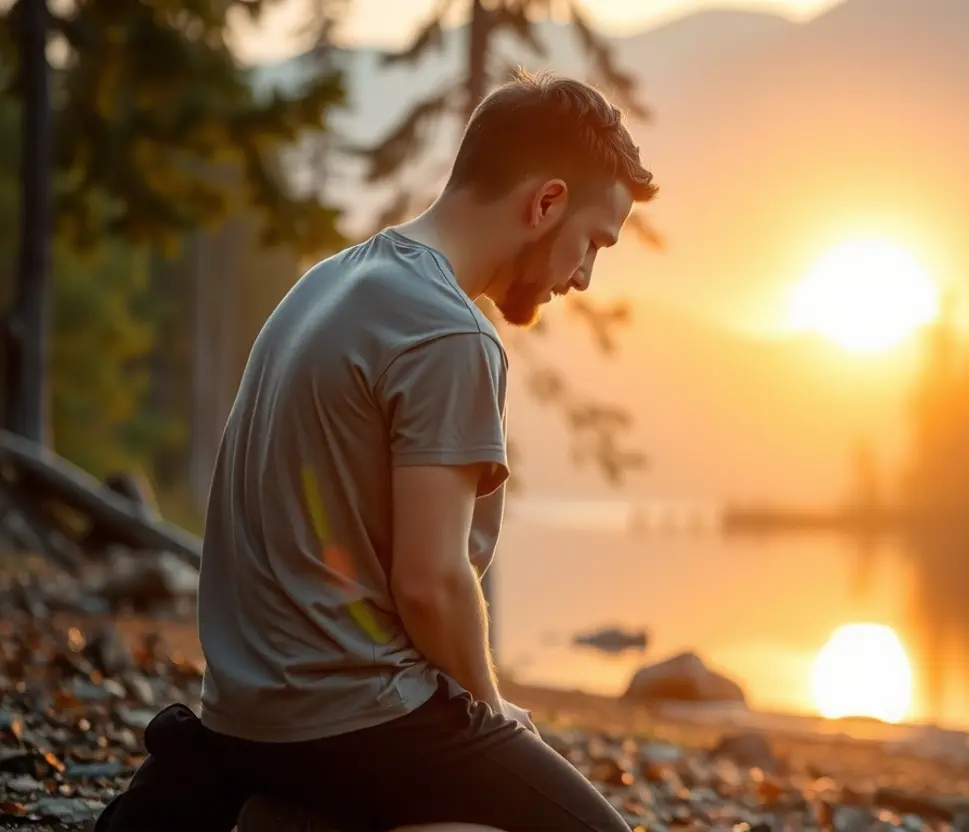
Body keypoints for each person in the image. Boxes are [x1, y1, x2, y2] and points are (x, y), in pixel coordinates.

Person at [94, 70, 657, 832]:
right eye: (593, 242)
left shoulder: (331, 281)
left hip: (244, 714)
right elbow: (430, 583)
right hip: (351, 721)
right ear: (546, 202)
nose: (585, 276)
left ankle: (277, 815)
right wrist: (491, 713)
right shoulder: (447, 331)